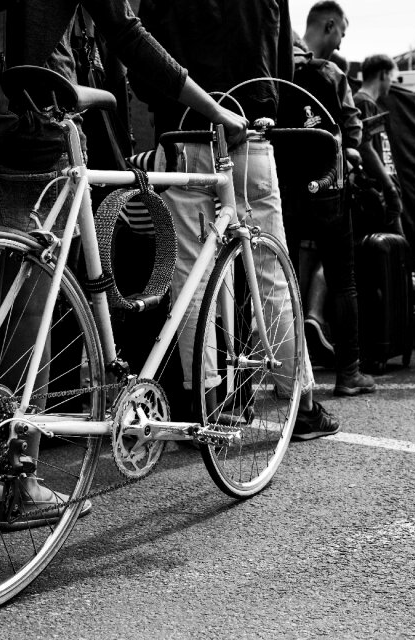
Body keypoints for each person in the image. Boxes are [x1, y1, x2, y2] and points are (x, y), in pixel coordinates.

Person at [0, 2, 249, 528]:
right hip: (28, 123)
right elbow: (127, 33)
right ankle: (20, 483)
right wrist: (213, 110)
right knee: (35, 310)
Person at [134, 0, 341, 441]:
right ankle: (300, 403)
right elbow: (283, 66)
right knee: (272, 274)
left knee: (190, 277)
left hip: (182, 130)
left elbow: (144, 72)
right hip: (250, 129)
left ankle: (204, 406)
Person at [285, 2, 375, 397]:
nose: (342, 40)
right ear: (329, 25)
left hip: (285, 188)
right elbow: (353, 133)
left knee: (282, 281)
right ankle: (349, 374)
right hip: (329, 190)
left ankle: (285, 375)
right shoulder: (332, 73)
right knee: (343, 281)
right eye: (341, 32)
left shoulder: (276, 66)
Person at [354, 53, 404, 235]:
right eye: (392, 76)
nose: (392, 82)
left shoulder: (365, 103)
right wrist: (389, 188)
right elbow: (365, 147)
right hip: (377, 194)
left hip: (381, 193)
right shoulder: (363, 103)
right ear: (383, 74)